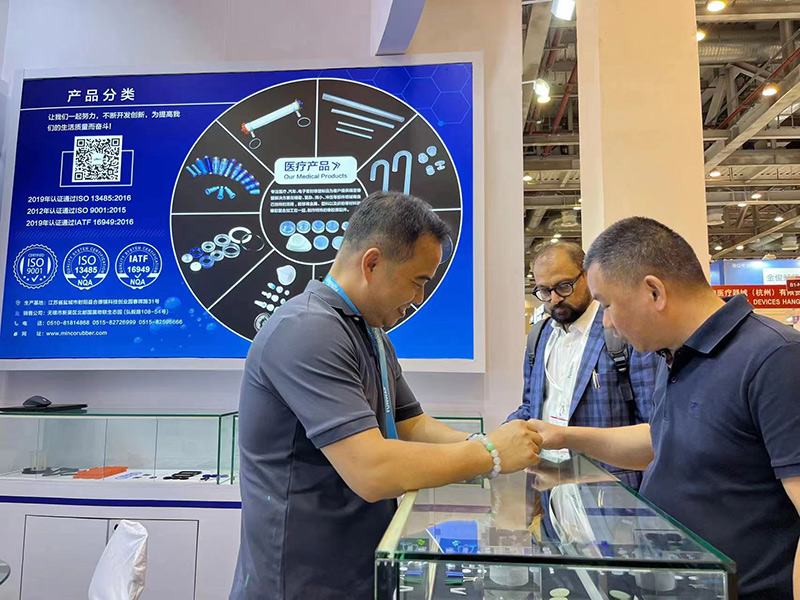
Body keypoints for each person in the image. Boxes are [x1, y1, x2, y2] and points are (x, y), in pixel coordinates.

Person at [231, 191, 543, 600]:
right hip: (300, 581)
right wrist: (491, 454)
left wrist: (491, 447)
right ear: (372, 263)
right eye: (418, 281)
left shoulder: (369, 332)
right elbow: (371, 470)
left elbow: (411, 425)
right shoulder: (306, 330)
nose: (418, 299)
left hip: (358, 567)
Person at [529, 217, 800, 600]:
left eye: (608, 305)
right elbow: (661, 441)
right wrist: (563, 437)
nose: (607, 322)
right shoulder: (674, 356)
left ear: (654, 292)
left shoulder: (776, 359)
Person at [508, 242, 659, 489]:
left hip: (611, 494)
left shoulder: (623, 333)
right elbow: (531, 406)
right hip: (550, 488)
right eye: (544, 291)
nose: (555, 299)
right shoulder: (539, 337)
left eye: (563, 286)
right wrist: (496, 438)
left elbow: (655, 430)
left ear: (587, 275)